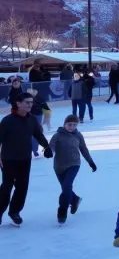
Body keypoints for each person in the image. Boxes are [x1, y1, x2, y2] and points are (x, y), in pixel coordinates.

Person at [0, 92, 53, 226]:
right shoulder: (7, 121)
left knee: (22, 187)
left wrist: (46, 147)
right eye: (27, 102)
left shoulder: (32, 119)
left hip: (24, 159)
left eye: (31, 102)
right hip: (8, 159)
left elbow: (38, 135)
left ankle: (15, 212)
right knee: (7, 187)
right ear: (18, 104)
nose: (30, 105)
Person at [49, 114, 97, 224]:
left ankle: (62, 211)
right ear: (64, 124)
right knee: (66, 189)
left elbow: (84, 149)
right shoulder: (57, 135)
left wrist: (90, 161)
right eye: (69, 124)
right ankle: (75, 199)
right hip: (59, 166)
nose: (72, 127)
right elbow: (51, 146)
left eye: (74, 125)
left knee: (67, 186)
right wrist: (49, 152)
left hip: (74, 164)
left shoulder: (78, 135)